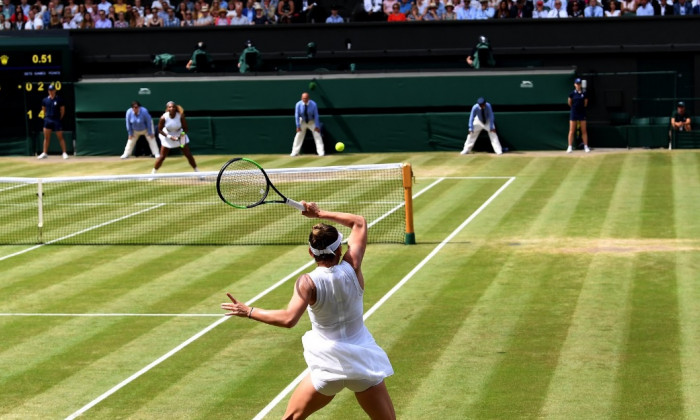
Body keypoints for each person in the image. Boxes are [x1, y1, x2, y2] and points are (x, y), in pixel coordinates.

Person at [220, 202, 396, 420]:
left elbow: (288, 319)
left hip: (327, 366)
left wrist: (248, 310)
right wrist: (318, 213)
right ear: (340, 249)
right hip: (363, 364)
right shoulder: (353, 266)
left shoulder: (307, 282)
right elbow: (358, 222)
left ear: (310, 252)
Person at [152, 101, 200, 174]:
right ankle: (153, 174)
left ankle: (198, 172)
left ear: (175, 108)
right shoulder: (163, 117)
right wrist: (169, 137)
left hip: (180, 135)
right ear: (167, 109)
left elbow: (185, 128)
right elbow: (159, 130)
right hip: (167, 136)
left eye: (173, 107)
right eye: (170, 107)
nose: (172, 108)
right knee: (162, 157)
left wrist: (180, 136)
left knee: (188, 155)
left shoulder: (180, 116)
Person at [38, 85, 69, 159]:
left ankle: (64, 153)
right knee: (46, 138)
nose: (51, 91)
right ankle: (44, 153)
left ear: (55, 90)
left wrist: (58, 118)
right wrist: (47, 117)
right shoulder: (45, 100)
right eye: (49, 90)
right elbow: (43, 110)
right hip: (48, 120)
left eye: (52, 90)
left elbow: (62, 111)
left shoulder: (59, 99)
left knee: (60, 137)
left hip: (56, 120)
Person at [290, 92, 325, 157]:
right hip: (302, 121)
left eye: (306, 98)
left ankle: (321, 152)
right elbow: (297, 115)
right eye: (303, 98)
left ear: (308, 98)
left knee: (317, 135)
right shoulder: (298, 104)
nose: (304, 99)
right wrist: (298, 126)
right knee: (298, 135)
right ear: (301, 98)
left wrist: (317, 126)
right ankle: (294, 152)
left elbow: (316, 115)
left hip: (312, 121)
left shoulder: (313, 104)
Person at [567, 78, 590, 153]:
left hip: (582, 113)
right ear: (574, 84)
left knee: (584, 130)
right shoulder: (572, 94)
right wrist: (574, 108)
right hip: (574, 113)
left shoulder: (584, 93)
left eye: (579, 84)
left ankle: (586, 146)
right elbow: (569, 102)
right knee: (571, 131)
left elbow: (585, 103)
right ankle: (570, 147)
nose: (578, 85)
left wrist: (581, 109)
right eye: (577, 84)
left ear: (581, 85)